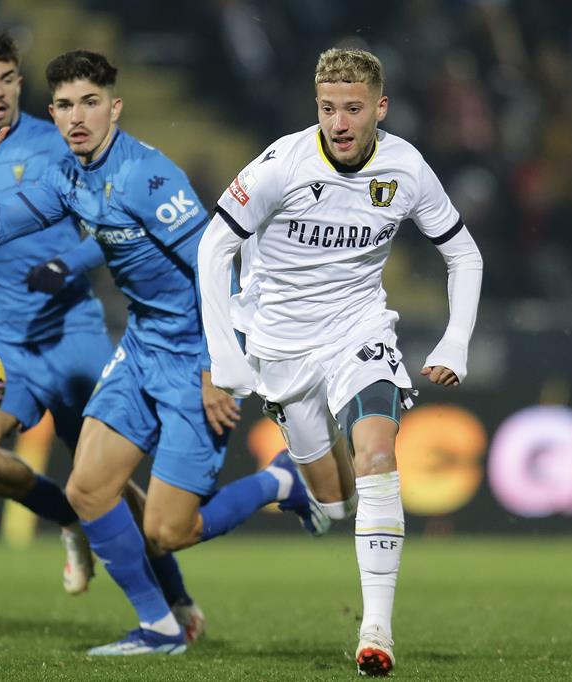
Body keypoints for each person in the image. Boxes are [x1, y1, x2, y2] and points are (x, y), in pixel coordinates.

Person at [0, 49, 327, 656]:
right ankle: (159, 628)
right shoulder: (66, 177)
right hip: (142, 345)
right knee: (86, 491)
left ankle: (279, 482)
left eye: (91, 103)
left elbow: (217, 266)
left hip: (196, 353)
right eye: (67, 105)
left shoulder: (148, 179)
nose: (79, 117)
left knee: (167, 530)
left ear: (115, 108)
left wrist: (215, 369)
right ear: (53, 113)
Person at [197, 48, 483, 677]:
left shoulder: (406, 167)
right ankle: (295, 485)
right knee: (333, 506)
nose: (339, 122)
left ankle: (375, 629)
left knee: (379, 456)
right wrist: (226, 356)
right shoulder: (282, 165)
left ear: (379, 108)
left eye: (353, 109)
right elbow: (214, 247)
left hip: (357, 330)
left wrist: (456, 338)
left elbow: (464, 253)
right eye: (328, 108)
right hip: (278, 346)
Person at [0, 34, 201, 635]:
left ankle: (175, 599)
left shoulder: (60, 141)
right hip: (5, 341)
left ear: (22, 84)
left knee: (104, 477)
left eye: (6, 78)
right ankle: (68, 519)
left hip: (72, 331)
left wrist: (67, 266)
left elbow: (108, 224)